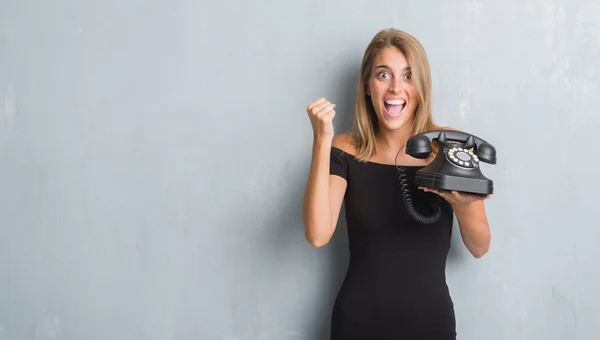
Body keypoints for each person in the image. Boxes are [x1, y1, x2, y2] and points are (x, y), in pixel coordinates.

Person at [301, 28, 492, 339]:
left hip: (431, 326)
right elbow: (318, 234)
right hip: (357, 324)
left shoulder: (449, 150)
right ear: (367, 85)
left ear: (421, 87)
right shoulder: (346, 149)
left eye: (407, 76)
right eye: (383, 75)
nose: (395, 88)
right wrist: (321, 139)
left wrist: (462, 201)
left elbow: (480, 247)